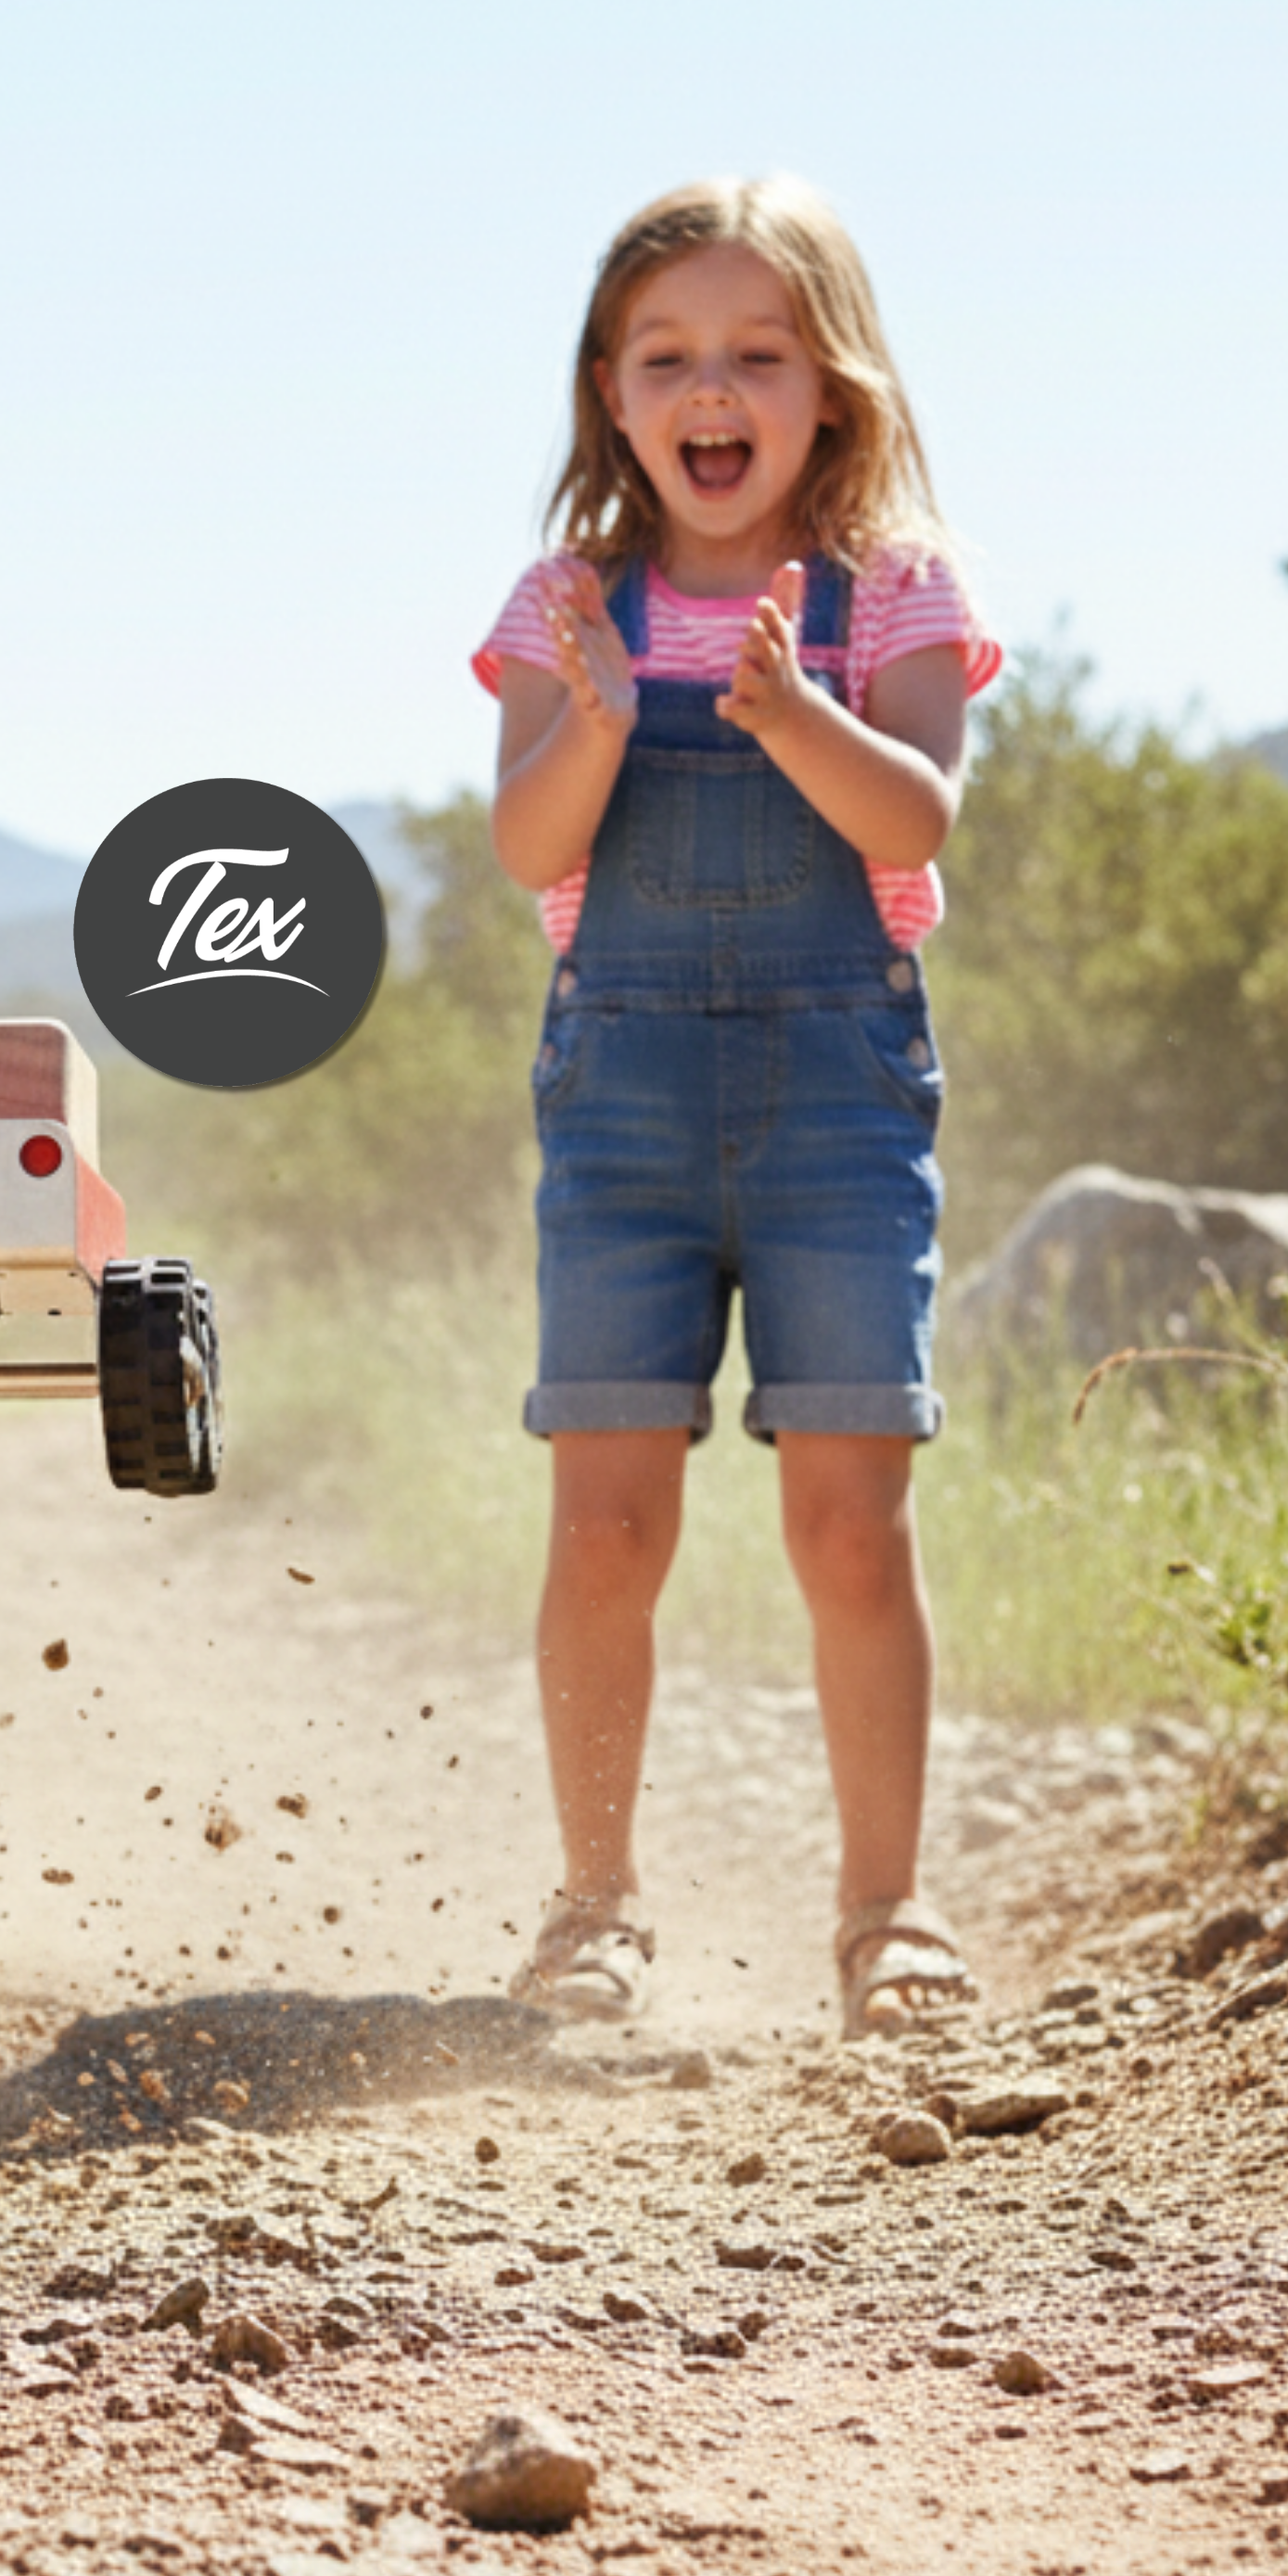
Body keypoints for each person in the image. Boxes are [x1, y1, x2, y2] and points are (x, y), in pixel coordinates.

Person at [473, 180, 1001, 2038]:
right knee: (605, 1522)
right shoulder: (564, 608)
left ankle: (884, 1908)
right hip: (618, 1099)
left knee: (847, 1519)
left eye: (756, 355)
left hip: (836, 1104)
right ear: (611, 396)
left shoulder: (893, 592)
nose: (713, 389)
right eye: (669, 356)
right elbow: (525, 838)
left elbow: (915, 819)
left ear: (829, 390)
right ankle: (594, 1907)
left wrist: (786, 712)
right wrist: (602, 718)